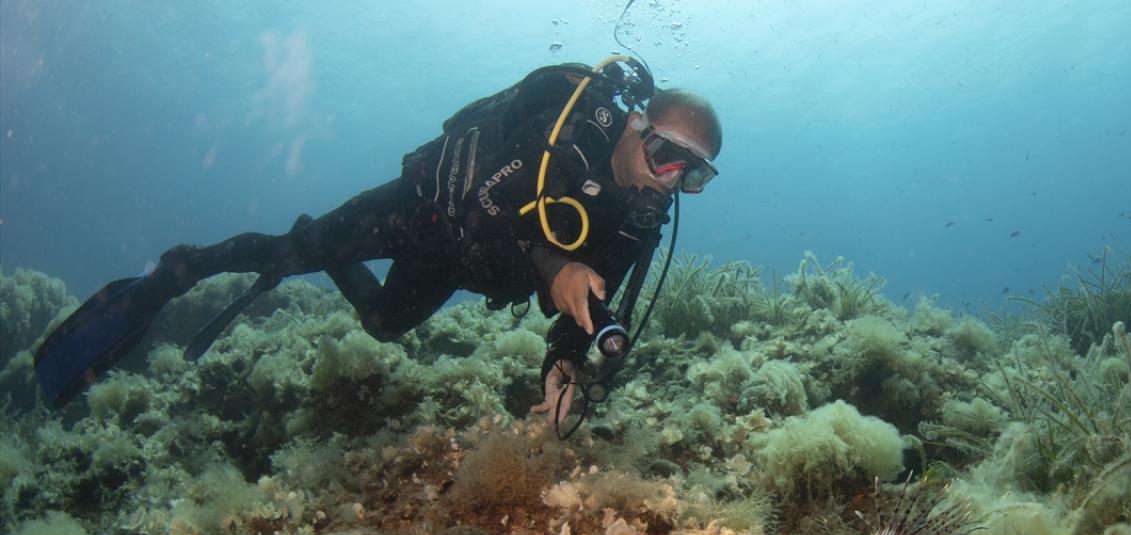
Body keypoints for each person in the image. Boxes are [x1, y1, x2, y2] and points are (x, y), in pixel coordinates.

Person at [34, 59, 723, 426]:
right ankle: (178, 273)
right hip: (420, 215)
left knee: (386, 324)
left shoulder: (641, 217)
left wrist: (565, 362)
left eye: (692, 175)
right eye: (667, 156)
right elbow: (492, 201)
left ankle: (323, 247)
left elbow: (589, 305)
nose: (671, 182)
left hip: (466, 266)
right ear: (635, 128)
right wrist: (556, 265)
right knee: (287, 256)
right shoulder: (567, 130)